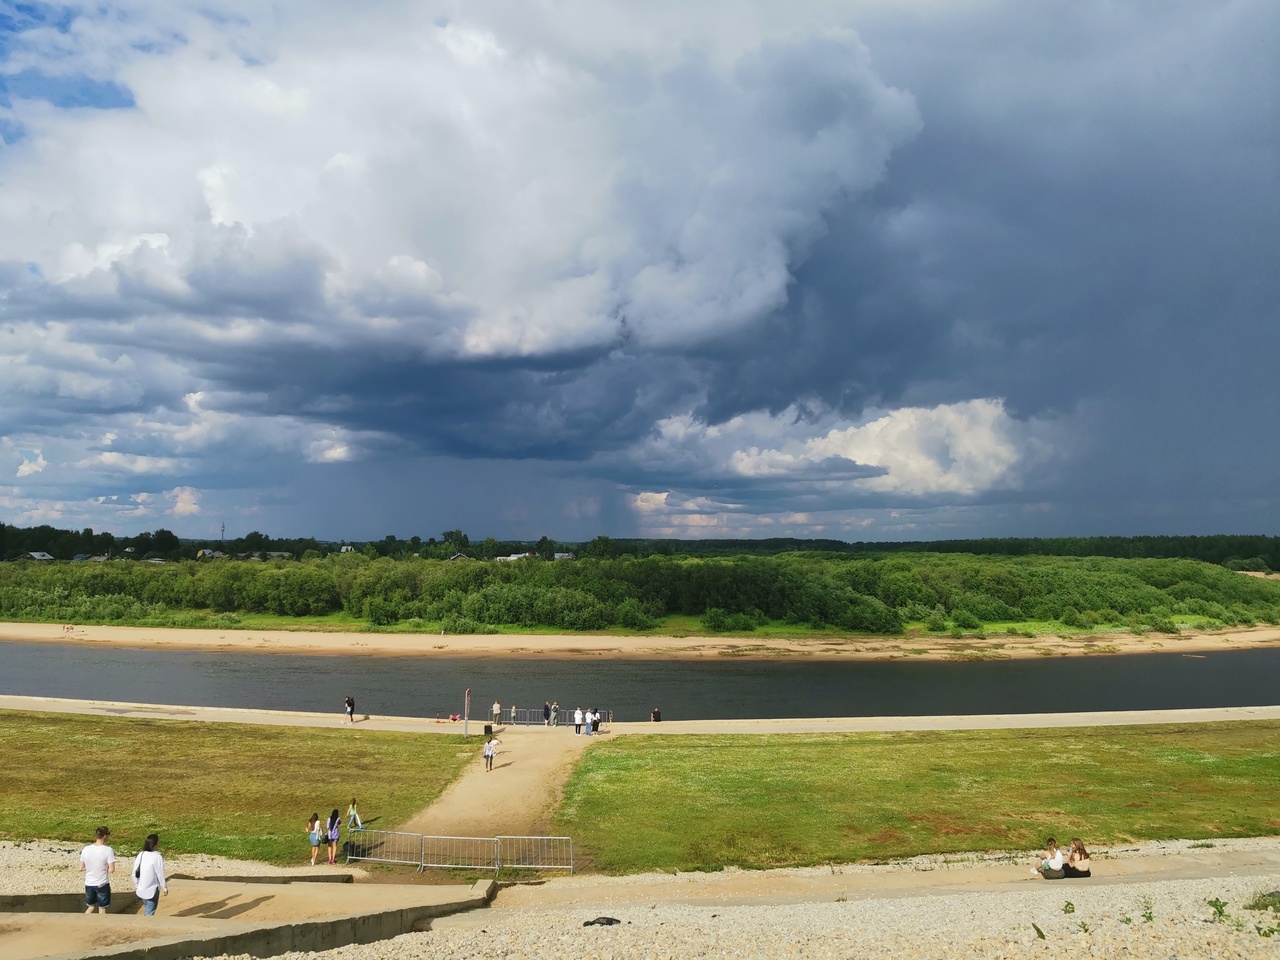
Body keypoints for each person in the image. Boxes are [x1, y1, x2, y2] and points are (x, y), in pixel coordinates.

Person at [80, 826, 116, 914]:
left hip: (89, 883)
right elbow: (111, 870)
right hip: (102, 883)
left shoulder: (86, 849)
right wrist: (105, 868)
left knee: (91, 907)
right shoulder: (108, 850)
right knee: (102, 909)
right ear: (104, 836)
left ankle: (83, 923)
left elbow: (81, 868)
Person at [132, 833, 168, 916]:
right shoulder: (157, 857)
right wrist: (164, 887)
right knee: (150, 911)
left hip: (141, 888)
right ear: (156, 844)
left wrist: (137, 885)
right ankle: (144, 927)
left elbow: (134, 872)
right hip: (152, 889)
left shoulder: (141, 854)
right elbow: (160, 874)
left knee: (147, 908)